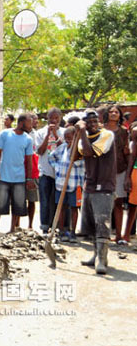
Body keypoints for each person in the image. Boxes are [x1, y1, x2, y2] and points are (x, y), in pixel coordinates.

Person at [77, 110, 116, 274]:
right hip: (90, 185)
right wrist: (78, 135)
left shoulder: (107, 135)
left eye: (95, 121)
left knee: (102, 223)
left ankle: (102, 258)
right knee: (91, 224)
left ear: (99, 121)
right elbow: (77, 155)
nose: (92, 124)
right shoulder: (83, 138)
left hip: (104, 185)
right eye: (89, 122)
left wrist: (81, 133)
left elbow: (89, 152)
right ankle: (95, 255)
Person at [0, 113, 35, 236]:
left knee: (18, 205)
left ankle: (12, 229)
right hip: (4, 176)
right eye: (29, 122)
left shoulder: (28, 139)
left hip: (19, 177)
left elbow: (29, 160)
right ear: (21, 123)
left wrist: (29, 178)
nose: (31, 125)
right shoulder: (5, 134)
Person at [49, 127, 85, 243]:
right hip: (61, 184)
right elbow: (51, 157)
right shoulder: (62, 148)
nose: (68, 140)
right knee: (61, 207)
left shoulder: (80, 149)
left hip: (75, 184)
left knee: (74, 208)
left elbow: (81, 163)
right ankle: (61, 231)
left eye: (70, 138)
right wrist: (57, 167)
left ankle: (73, 232)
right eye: (66, 138)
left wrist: (74, 152)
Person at [35, 107, 65, 234]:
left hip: (60, 172)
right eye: (51, 118)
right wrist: (48, 135)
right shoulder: (40, 133)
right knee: (45, 200)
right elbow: (40, 151)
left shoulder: (64, 132)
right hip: (45, 171)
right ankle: (45, 226)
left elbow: (64, 149)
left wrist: (56, 135)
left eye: (56, 118)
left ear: (60, 119)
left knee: (58, 200)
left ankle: (58, 226)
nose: (53, 120)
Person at [103, 105, 130, 244]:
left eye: (116, 112)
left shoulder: (124, 131)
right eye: (111, 112)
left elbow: (127, 152)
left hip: (120, 169)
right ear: (107, 114)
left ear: (120, 115)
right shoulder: (101, 130)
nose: (113, 114)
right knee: (104, 204)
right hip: (104, 171)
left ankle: (119, 235)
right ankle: (104, 234)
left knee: (118, 203)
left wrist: (127, 175)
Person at [124, 123, 137, 242]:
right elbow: (132, 157)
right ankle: (127, 235)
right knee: (133, 206)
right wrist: (128, 176)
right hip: (136, 172)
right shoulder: (136, 131)